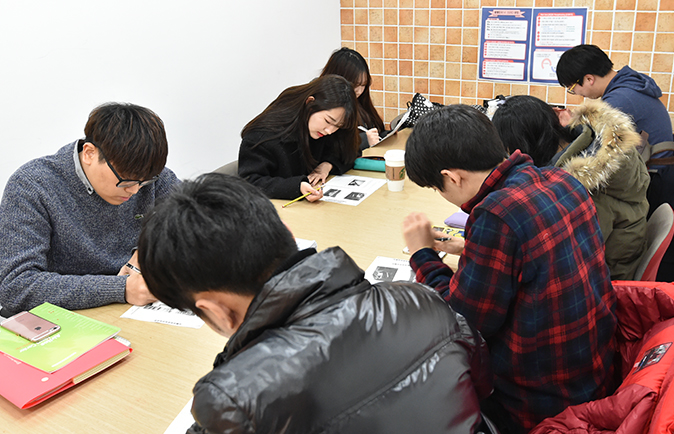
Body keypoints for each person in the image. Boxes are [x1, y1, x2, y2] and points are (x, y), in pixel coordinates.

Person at [137, 173, 492, 434]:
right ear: (287, 233)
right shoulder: (421, 297)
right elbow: (482, 384)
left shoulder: (233, 397)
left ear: (214, 310)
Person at [401, 105, 618, 434]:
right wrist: (472, 248)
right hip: (596, 374)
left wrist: (422, 254)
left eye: (437, 188)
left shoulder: (496, 214)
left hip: (539, 404)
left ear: (452, 177)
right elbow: (535, 253)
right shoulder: (562, 179)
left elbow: (460, 324)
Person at [0, 102, 178, 316]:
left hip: (133, 314)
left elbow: (195, 226)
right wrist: (121, 288)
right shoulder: (32, 186)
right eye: (126, 180)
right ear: (89, 153)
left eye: (144, 182)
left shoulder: (150, 178)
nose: (134, 190)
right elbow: (15, 286)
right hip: (61, 321)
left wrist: (148, 250)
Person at [493, 95, 650, 280]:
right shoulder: (593, 144)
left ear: (525, 145)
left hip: (605, 278)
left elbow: (565, 257)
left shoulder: (582, 187)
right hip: (610, 261)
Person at [237, 74, 360, 201]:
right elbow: (250, 183)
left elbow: (350, 149)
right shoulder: (264, 135)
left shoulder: (321, 126)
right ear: (310, 103)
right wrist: (296, 187)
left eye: (338, 126)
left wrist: (327, 165)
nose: (330, 131)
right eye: (328, 121)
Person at [556, 44, 673, 146]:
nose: (576, 93)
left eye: (572, 88)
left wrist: (570, 125)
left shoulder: (619, 99)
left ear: (589, 79)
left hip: (653, 164)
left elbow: (593, 145)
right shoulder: (630, 84)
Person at [320, 47, 387, 150]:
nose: (359, 91)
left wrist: (387, 135)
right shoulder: (324, 104)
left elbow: (376, 128)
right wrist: (364, 140)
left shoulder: (360, 102)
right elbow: (330, 148)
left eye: (363, 85)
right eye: (355, 85)